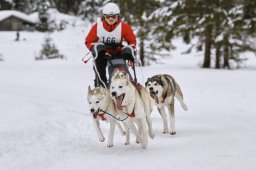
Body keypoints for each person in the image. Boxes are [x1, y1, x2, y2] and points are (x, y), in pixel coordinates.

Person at [85, 2, 137, 88]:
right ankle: (101, 87)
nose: (111, 19)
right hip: (101, 53)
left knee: (121, 71)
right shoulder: (97, 27)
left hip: (117, 52)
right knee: (100, 72)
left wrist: (129, 50)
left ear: (117, 17)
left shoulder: (124, 27)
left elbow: (132, 41)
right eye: (108, 16)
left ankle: (127, 87)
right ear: (104, 16)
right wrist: (96, 49)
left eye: (113, 16)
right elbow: (88, 41)